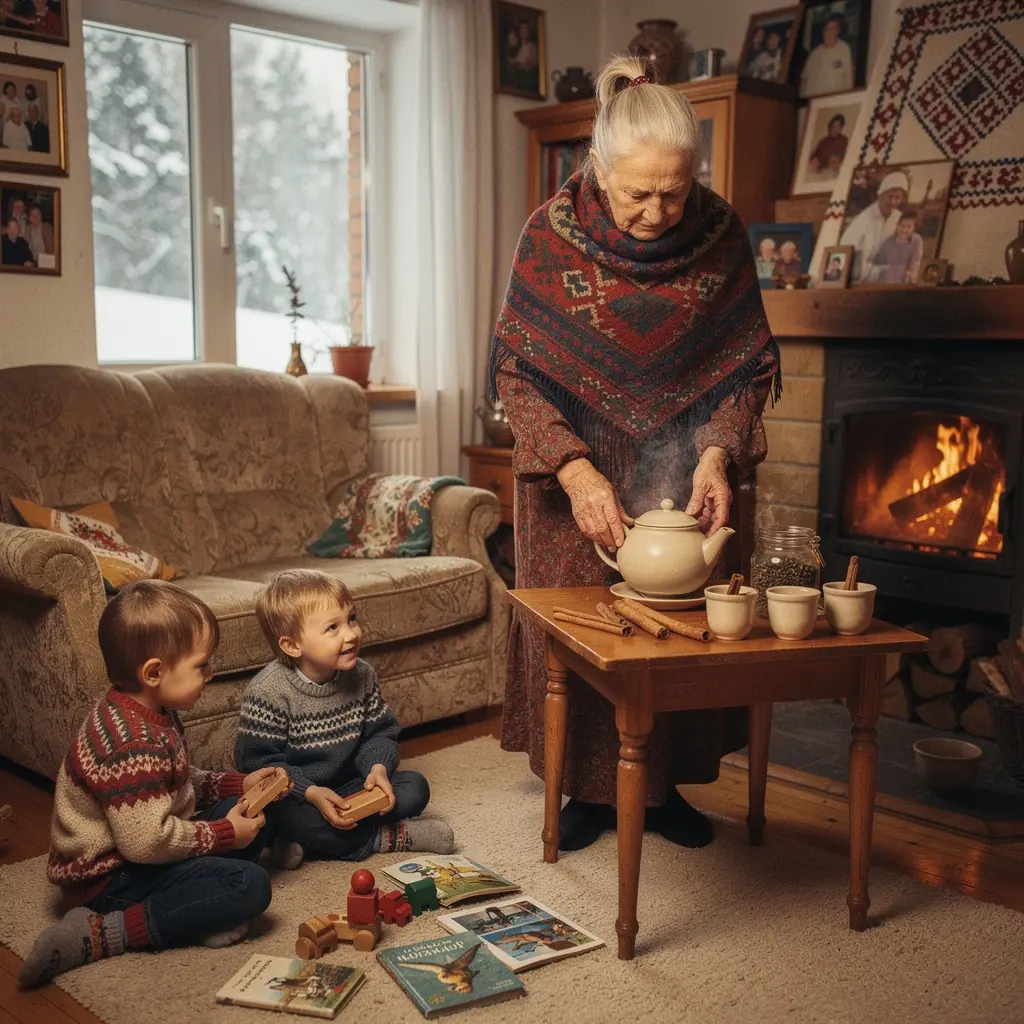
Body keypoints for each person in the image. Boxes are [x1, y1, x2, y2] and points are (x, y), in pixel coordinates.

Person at [491, 54, 780, 853]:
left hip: (685, 466)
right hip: (570, 470)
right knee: (589, 631)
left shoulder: (722, 236)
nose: (657, 212)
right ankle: (586, 789)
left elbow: (749, 364)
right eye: (637, 193)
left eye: (674, 192)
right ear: (598, 167)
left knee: (677, 627)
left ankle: (660, 792)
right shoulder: (547, 236)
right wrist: (573, 467)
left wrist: (720, 452)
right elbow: (516, 370)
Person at [18, 581, 282, 990]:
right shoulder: (130, 742)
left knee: (254, 815)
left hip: (144, 848)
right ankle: (104, 933)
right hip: (110, 877)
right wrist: (224, 834)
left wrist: (238, 783)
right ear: (154, 672)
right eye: (201, 665)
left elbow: (172, 782)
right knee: (250, 885)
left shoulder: (151, 711)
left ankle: (196, 913)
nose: (210, 675)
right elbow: (145, 842)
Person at [235, 569, 454, 868]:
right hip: (300, 796)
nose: (351, 634)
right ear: (292, 645)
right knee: (275, 813)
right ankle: (384, 838)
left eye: (351, 619)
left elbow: (380, 733)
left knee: (415, 787)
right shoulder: (268, 692)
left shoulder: (362, 674)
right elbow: (256, 764)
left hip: (350, 787)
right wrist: (310, 793)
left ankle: (305, 842)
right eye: (332, 628)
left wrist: (377, 769)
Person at [840, 169, 909, 283]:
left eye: (897, 198)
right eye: (890, 196)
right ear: (880, 194)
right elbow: (848, 257)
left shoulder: (899, 219)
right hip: (862, 280)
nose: (893, 201)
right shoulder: (864, 219)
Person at [799, 15, 854, 98]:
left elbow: (850, 76)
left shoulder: (845, 49)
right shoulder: (815, 53)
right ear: (823, 32)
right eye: (828, 29)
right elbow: (804, 79)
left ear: (838, 31)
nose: (830, 33)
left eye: (834, 29)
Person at [872, 208, 924, 284]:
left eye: (909, 227)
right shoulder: (888, 241)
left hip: (904, 283)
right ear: (897, 225)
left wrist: (911, 275)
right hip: (885, 282)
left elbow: (916, 262)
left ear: (914, 228)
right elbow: (877, 262)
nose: (904, 230)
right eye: (902, 226)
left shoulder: (916, 240)